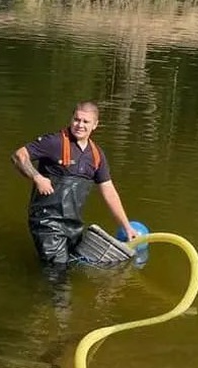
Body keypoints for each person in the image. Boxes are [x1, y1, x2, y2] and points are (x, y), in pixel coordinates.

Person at [11, 101, 137, 276]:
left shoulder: (96, 155)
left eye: (86, 122)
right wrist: (37, 177)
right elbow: (19, 155)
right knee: (58, 274)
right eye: (77, 119)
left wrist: (126, 226)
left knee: (70, 268)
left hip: (73, 225)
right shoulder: (54, 142)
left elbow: (109, 191)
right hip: (47, 222)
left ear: (95, 125)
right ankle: (58, 303)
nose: (80, 125)